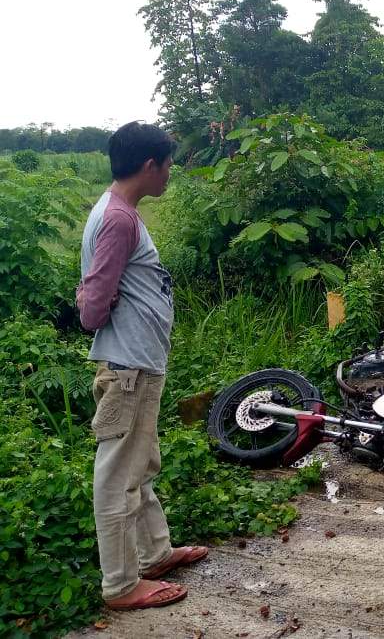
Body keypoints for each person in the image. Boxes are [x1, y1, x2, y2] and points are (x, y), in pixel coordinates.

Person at [78, 122, 207, 610]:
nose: (171, 172)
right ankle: (120, 585)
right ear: (150, 166)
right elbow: (93, 306)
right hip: (129, 367)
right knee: (117, 475)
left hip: (140, 363)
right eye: (169, 163)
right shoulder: (118, 219)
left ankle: (154, 555)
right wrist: (90, 302)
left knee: (141, 464)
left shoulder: (119, 212)